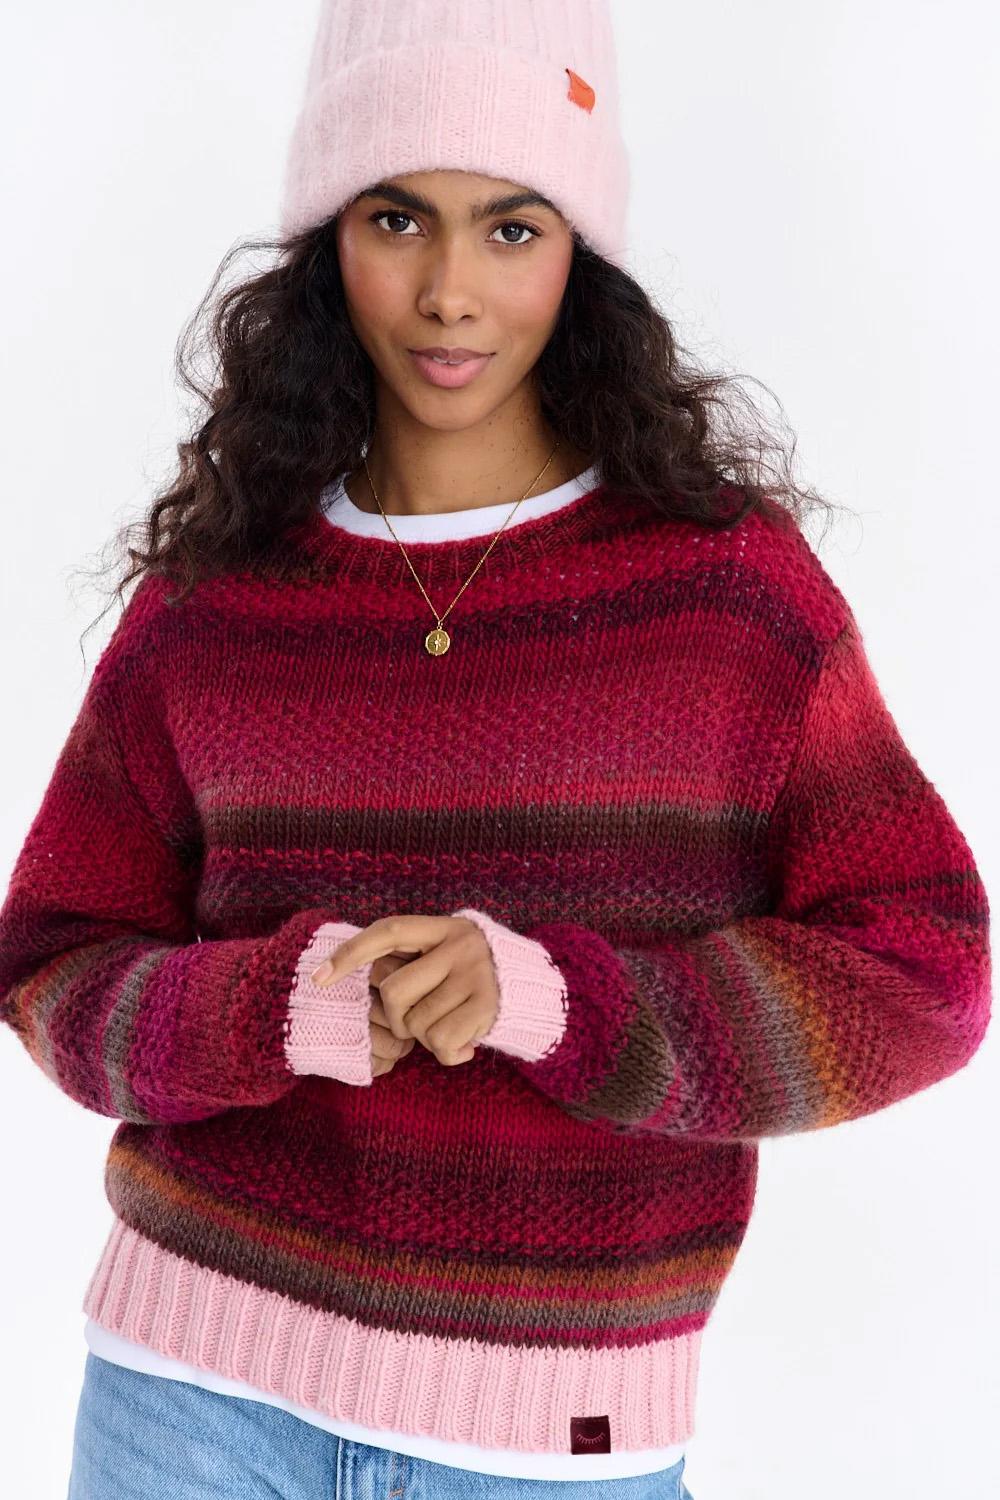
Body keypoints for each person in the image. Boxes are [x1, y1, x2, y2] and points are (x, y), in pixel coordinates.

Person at [0, 1, 991, 1496]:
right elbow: (53, 968)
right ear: (329, 240)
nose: (449, 292)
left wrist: (563, 1002)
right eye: (397, 218)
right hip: (186, 1401)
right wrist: (278, 1007)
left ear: (581, 255)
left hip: (551, 1442)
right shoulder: (217, 600)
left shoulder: (725, 597)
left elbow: (926, 973)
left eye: (512, 228)